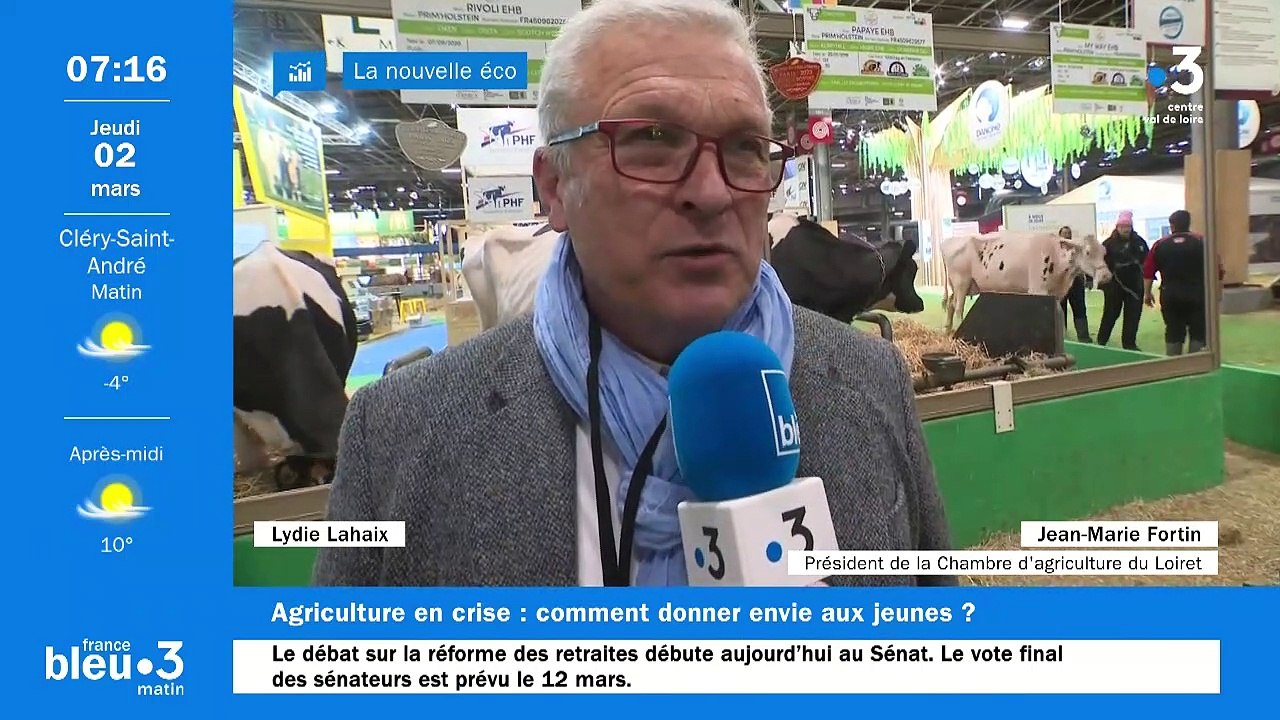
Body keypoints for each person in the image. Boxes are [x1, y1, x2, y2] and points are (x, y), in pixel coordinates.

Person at [312, 0, 953, 588]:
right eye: (651, 140)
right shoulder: (399, 431)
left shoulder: (871, 383)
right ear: (555, 186)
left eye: (746, 148)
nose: (712, 191)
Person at [1143, 209, 1222, 355]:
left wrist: (1147, 293)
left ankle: (1174, 364)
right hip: (1198, 294)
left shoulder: (1160, 245)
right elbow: (1217, 270)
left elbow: (1148, 272)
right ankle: (1195, 365)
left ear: (1171, 225)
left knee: (1173, 330)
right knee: (1198, 331)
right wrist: (1218, 293)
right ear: (1188, 223)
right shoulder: (1202, 242)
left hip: (1170, 294)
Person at [1096, 210, 1148, 350]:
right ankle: (1102, 341)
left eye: (1128, 227)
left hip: (1135, 286)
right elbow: (1100, 264)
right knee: (1110, 314)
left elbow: (1146, 262)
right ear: (1117, 227)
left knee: (1133, 316)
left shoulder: (1139, 242)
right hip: (1114, 286)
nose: (1126, 229)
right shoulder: (1108, 244)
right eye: (1123, 227)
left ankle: (1129, 343)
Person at [1057, 225, 1092, 342]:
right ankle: (1061, 337)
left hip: (1076, 282)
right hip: (1061, 283)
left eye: (1068, 233)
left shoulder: (1078, 248)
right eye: (1064, 233)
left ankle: (1084, 337)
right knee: (1060, 311)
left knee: (1080, 309)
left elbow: (1085, 264)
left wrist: (1089, 279)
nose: (1066, 235)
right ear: (1060, 235)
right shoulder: (1055, 250)